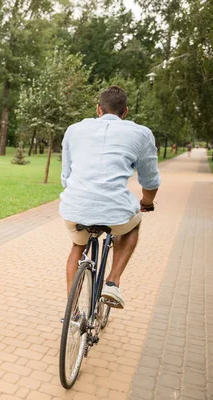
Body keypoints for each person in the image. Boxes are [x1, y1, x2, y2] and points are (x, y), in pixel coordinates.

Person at [60, 85, 161, 309]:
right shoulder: (141, 133)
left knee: (78, 246)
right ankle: (113, 282)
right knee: (132, 225)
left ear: (98, 109)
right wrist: (146, 203)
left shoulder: (74, 130)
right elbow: (150, 181)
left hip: (75, 207)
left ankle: (72, 308)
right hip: (116, 211)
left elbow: (66, 176)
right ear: (124, 112)